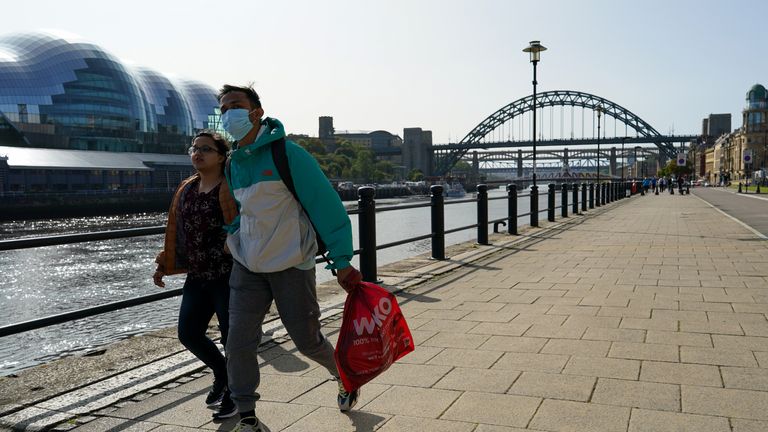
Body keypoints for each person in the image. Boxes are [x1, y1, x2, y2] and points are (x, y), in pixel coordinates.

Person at [217, 84, 362, 431]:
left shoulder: (288, 154)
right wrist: (234, 234)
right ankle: (247, 415)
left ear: (256, 112)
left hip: (291, 263)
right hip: (248, 265)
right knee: (238, 340)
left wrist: (341, 260)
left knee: (307, 341)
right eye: (223, 109)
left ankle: (343, 374)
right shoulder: (234, 161)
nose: (228, 114)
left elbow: (324, 205)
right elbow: (242, 209)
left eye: (235, 105)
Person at [153, 131, 239, 419]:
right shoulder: (186, 188)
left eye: (206, 149)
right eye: (194, 148)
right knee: (188, 333)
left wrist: (234, 240)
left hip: (228, 276)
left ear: (221, 156)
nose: (198, 153)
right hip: (198, 276)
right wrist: (164, 262)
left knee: (232, 338)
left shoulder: (231, 187)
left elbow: (248, 222)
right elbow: (178, 232)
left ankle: (235, 393)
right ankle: (222, 373)